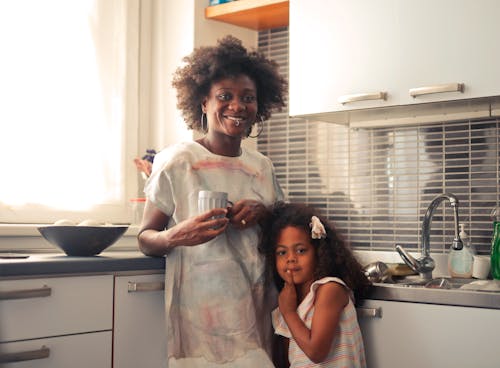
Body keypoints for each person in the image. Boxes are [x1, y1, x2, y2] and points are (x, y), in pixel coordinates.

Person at [137, 35, 287, 367]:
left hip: (257, 311)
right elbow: (146, 238)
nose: (238, 106)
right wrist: (176, 236)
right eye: (225, 96)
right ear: (203, 102)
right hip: (198, 319)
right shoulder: (177, 161)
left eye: (248, 98)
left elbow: (283, 229)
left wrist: (264, 213)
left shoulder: (261, 167)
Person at [259, 202, 372, 368]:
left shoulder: (329, 289)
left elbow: (316, 352)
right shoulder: (290, 300)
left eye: (301, 250)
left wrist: (289, 313)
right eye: (282, 252)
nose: (291, 258)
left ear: (318, 251)